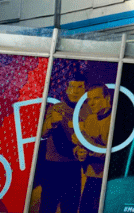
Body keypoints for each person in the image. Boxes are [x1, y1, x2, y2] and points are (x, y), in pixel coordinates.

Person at [37, 73, 89, 213]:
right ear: (66, 89)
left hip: (74, 168)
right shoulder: (56, 108)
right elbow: (41, 134)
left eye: (79, 87)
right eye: (72, 87)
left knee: (70, 207)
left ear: (85, 90)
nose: (75, 91)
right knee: (48, 206)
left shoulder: (89, 111)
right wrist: (51, 122)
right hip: (53, 167)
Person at [76, 86, 112, 213]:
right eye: (89, 100)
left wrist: (89, 146)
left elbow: (114, 152)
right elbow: (80, 146)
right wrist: (79, 153)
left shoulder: (116, 119)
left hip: (110, 178)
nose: (91, 103)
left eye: (96, 98)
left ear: (107, 98)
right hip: (91, 176)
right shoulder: (90, 119)